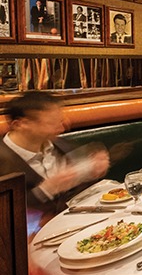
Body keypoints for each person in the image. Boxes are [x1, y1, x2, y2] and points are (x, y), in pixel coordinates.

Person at [0, 92, 110, 221]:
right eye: (51, 123)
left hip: (76, 222)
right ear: (20, 124)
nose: (62, 128)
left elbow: (79, 190)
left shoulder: (58, 145)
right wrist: (45, 190)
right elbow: (6, 214)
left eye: (60, 121)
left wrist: (92, 170)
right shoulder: (3, 160)